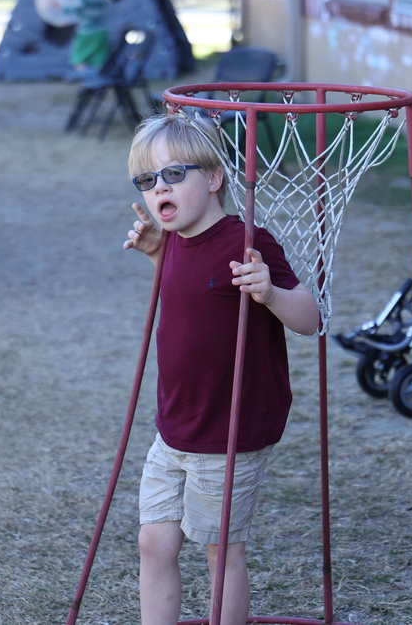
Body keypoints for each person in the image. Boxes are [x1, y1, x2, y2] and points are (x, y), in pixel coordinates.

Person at [122, 114, 320, 625]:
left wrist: (270, 292)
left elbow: (309, 317)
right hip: (176, 425)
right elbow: (190, 299)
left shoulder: (247, 242)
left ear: (214, 179)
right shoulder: (172, 244)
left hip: (228, 430)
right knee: (154, 540)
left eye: (173, 175)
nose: (158, 188)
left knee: (218, 550)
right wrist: (155, 256)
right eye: (147, 181)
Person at [68, 0, 109, 72]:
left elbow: (75, 9)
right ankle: (99, 85)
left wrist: (58, 6)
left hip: (87, 32)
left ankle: (89, 81)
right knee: (99, 61)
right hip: (101, 31)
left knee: (78, 59)